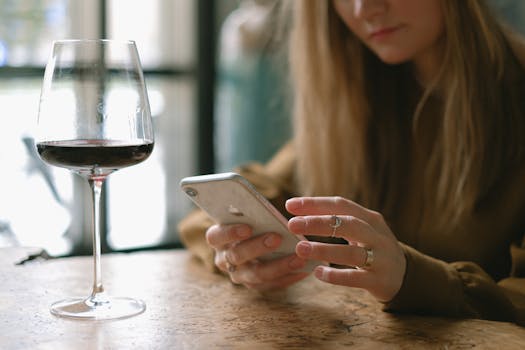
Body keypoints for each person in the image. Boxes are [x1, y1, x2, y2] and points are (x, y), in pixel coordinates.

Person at [178, 0, 525, 326]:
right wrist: (237, 252)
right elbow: (237, 199)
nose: (364, 9)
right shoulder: (361, 100)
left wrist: (413, 279)